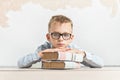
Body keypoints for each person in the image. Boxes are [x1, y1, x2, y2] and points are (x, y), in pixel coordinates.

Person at [18, 15, 104, 68]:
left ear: (71, 38)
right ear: (48, 37)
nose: (61, 39)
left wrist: (83, 54)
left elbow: (100, 63)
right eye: (56, 34)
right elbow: (21, 63)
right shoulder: (44, 48)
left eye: (66, 35)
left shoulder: (73, 49)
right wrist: (41, 54)